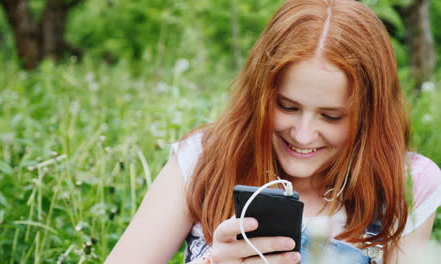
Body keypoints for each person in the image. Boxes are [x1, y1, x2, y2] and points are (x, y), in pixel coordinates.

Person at [105, 0, 441, 263]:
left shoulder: (409, 183)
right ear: (260, 97)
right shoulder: (203, 160)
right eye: (287, 107)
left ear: (371, 117)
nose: (304, 135)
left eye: (331, 117)